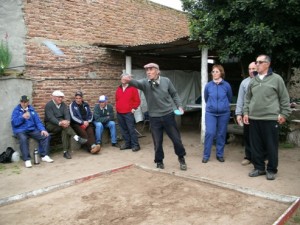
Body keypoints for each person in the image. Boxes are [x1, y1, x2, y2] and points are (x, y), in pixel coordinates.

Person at [122, 63, 187, 170]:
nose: (148, 72)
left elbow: (174, 94)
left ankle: (181, 158)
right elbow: (135, 83)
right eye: (147, 70)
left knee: (176, 139)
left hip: (168, 115)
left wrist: (179, 105)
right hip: (154, 118)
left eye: (151, 69)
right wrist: (128, 79)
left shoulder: (166, 81)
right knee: (157, 141)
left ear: (157, 71)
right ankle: (159, 161)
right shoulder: (144, 83)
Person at [243, 54, 291, 180]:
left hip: (270, 118)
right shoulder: (253, 80)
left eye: (259, 62)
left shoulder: (277, 79)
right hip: (254, 118)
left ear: (267, 64)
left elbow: (284, 98)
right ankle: (259, 168)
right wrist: (246, 112)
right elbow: (247, 98)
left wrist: (284, 114)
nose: (256, 65)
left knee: (271, 145)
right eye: (256, 62)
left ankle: (271, 169)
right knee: (256, 146)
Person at [11, 95, 53, 168]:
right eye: (22, 102)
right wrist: (22, 117)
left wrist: (42, 129)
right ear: (20, 102)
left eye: (25, 102)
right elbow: (14, 123)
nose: (24, 103)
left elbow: (38, 122)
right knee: (23, 139)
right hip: (20, 130)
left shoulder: (31, 110)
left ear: (28, 102)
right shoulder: (16, 110)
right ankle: (27, 159)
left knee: (46, 136)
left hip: (31, 129)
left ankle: (44, 155)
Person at [202, 64, 233, 163]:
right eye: (213, 71)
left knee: (221, 134)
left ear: (221, 73)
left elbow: (229, 98)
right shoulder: (208, 85)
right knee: (210, 133)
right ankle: (206, 155)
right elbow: (206, 98)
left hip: (224, 113)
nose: (214, 73)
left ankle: (220, 154)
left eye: (217, 71)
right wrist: (212, 106)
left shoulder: (226, 85)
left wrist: (222, 106)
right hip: (211, 113)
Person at [44, 90, 88, 159]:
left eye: (61, 97)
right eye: (59, 97)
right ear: (54, 97)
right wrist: (60, 123)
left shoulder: (63, 105)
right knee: (64, 127)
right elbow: (50, 118)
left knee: (64, 130)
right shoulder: (49, 105)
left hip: (62, 125)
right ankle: (77, 138)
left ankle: (65, 152)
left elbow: (67, 114)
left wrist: (67, 121)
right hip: (51, 125)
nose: (60, 99)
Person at [235, 62, 256, 165]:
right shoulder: (244, 83)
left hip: (259, 115)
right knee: (247, 136)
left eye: (253, 68)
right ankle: (248, 157)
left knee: (259, 137)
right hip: (247, 114)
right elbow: (240, 99)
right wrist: (238, 113)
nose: (251, 71)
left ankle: (260, 157)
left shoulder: (263, 81)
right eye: (249, 69)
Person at [115, 73, 141, 152]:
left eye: (125, 79)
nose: (123, 80)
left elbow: (137, 101)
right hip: (119, 112)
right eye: (122, 79)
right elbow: (117, 99)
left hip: (128, 113)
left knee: (131, 129)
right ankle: (127, 144)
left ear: (128, 80)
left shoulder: (133, 88)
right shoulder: (118, 89)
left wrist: (134, 108)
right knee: (123, 130)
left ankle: (135, 145)